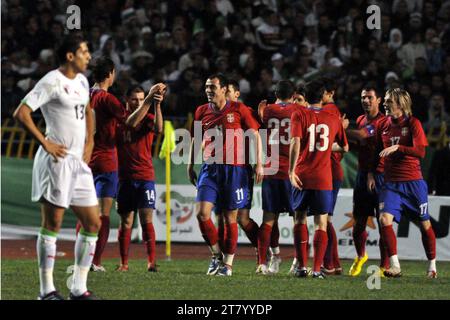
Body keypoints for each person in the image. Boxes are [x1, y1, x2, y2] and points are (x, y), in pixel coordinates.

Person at [13, 33, 100, 300]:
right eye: (84, 51)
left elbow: (87, 111)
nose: (88, 56)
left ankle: (78, 288)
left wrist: (90, 142)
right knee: (53, 222)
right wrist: (45, 143)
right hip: (56, 161)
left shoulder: (84, 81)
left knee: (93, 222)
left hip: (78, 162)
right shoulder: (52, 81)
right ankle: (46, 291)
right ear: (70, 56)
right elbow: (22, 113)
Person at [187, 74, 263, 276]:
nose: (208, 90)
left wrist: (259, 164)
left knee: (231, 218)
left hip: (235, 169)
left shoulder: (239, 109)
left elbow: (255, 134)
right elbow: (196, 137)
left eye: (212, 87)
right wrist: (189, 164)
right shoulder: (201, 111)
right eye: (206, 86)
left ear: (223, 90)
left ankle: (227, 265)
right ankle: (216, 256)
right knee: (202, 214)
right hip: (210, 169)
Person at [289, 79, 348, 279]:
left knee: (299, 219)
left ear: (305, 97)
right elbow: (345, 147)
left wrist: (290, 171)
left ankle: (301, 267)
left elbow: (295, 143)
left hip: (302, 175)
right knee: (321, 223)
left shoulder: (299, 114)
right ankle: (316, 269)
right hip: (324, 177)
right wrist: (324, 147)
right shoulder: (332, 118)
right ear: (323, 97)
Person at [374, 88, 437, 278]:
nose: (385, 104)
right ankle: (395, 265)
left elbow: (420, 152)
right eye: (384, 100)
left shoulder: (413, 123)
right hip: (391, 183)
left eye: (389, 101)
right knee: (384, 219)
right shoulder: (382, 124)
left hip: (413, 183)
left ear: (400, 104)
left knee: (424, 225)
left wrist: (398, 147)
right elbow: (378, 152)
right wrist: (373, 173)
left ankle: (432, 266)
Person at [115, 84, 165, 272]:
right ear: (126, 100)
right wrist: (149, 99)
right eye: (134, 99)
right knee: (126, 221)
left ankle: (151, 262)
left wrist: (157, 105)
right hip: (124, 178)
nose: (138, 102)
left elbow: (159, 129)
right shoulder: (121, 120)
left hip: (145, 176)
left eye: (141, 99)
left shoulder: (148, 118)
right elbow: (132, 123)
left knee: (147, 220)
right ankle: (124, 263)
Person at [345, 88, 389, 276]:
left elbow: (362, 135)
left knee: (383, 223)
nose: (366, 100)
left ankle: (384, 266)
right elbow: (360, 141)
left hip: (380, 175)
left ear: (378, 100)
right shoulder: (362, 120)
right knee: (359, 221)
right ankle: (361, 255)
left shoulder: (382, 121)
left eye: (370, 97)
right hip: (362, 175)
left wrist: (341, 127)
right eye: (363, 97)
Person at [256, 80, 298, 275]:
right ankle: (299, 261)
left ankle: (264, 262)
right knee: (300, 219)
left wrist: (261, 111)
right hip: (293, 171)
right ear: (294, 94)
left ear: (275, 93)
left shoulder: (267, 110)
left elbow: (262, 125)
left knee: (269, 219)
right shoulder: (299, 110)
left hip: (271, 169)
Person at [224, 80, 261, 264]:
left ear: (237, 93)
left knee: (242, 217)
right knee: (227, 215)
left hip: (242, 169)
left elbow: (257, 135)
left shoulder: (245, 111)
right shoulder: (218, 111)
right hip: (224, 169)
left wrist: (257, 162)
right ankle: (221, 259)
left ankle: (263, 250)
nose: (224, 94)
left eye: (227, 91)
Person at [320, 78, 348, 275]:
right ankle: (335, 263)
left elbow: (339, 146)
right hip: (331, 170)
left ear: (330, 93)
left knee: (325, 219)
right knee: (325, 219)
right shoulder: (333, 112)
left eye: (322, 92)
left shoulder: (328, 111)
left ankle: (329, 263)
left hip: (328, 170)